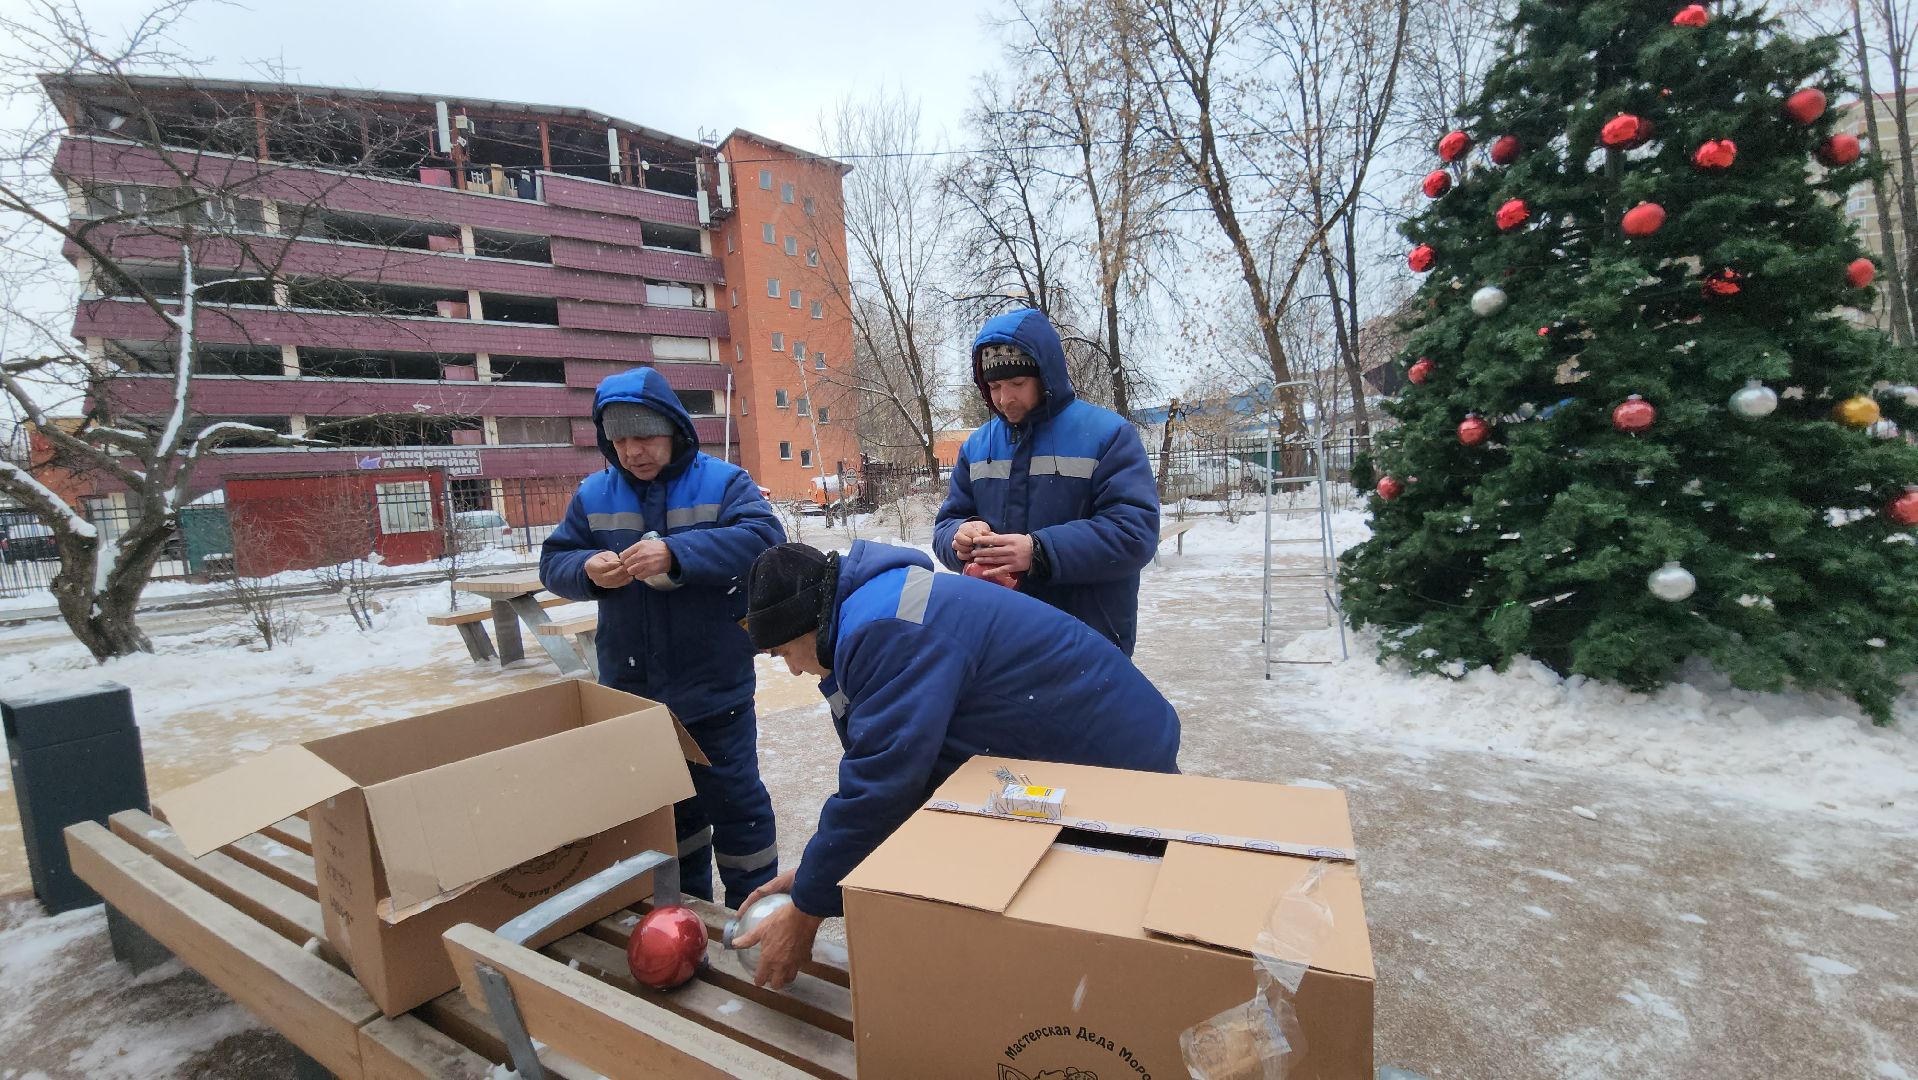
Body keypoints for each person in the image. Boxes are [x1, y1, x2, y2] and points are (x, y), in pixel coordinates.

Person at [732, 540, 1181, 988]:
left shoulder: (884, 630)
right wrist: (819, 871)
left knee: (1109, 942)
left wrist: (806, 910)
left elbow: (881, 782)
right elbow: (911, 772)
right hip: (1095, 740)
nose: (791, 670)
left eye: (784, 652)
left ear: (805, 625)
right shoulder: (870, 608)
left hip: (1115, 761)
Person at [541, 368, 785, 909]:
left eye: (644, 437)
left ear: (673, 429)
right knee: (669, 815)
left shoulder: (724, 481)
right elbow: (553, 561)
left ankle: (757, 913)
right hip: (635, 693)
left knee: (738, 806)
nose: (632, 452)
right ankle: (684, 916)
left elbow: (765, 541)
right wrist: (586, 568)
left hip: (714, 688)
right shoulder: (593, 493)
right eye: (620, 440)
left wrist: (680, 553)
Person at [934, 307, 1160, 655]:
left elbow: (1134, 533)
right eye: (994, 386)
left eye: (1017, 384)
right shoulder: (978, 445)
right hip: (999, 639)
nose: (1004, 398)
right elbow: (947, 524)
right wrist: (958, 538)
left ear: (1046, 375)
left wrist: (1039, 552)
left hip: (1087, 641)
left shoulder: (1109, 436)